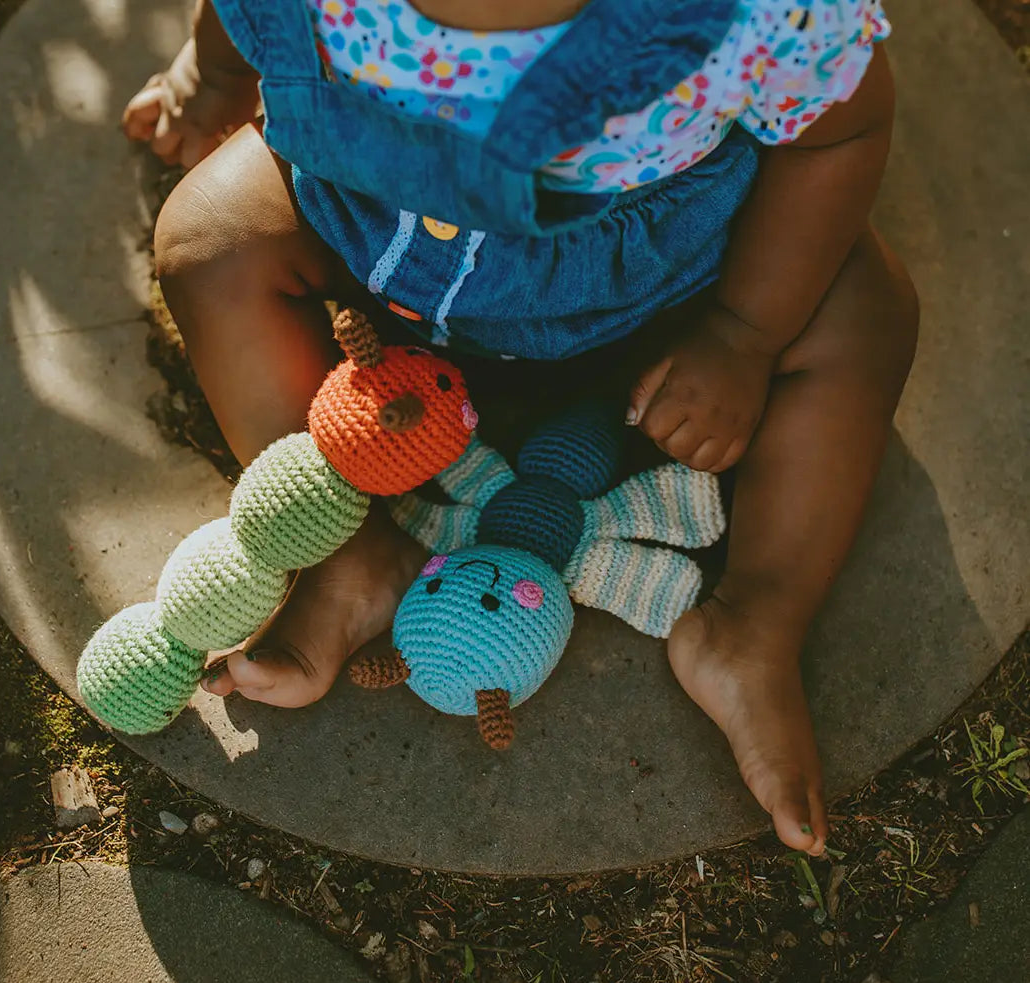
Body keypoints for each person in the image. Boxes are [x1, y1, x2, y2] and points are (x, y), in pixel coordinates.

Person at [123, 0, 919, 856]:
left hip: (676, 296)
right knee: (213, 238)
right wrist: (210, 75)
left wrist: (745, 331)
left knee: (861, 310)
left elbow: (839, 131)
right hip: (392, 274)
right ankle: (353, 556)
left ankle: (755, 620)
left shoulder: (753, 14)